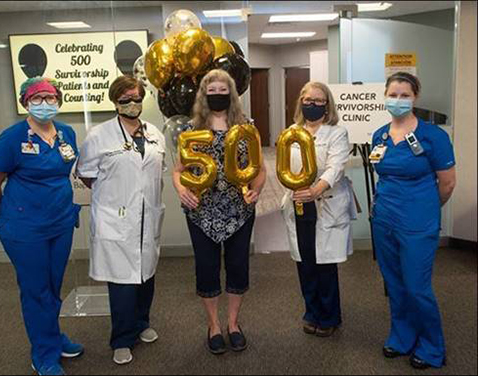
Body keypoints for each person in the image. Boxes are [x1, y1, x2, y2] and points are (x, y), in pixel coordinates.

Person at [0, 77, 83, 376]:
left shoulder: (66, 133)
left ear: (59, 101)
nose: (44, 104)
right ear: (25, 102)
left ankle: (52, 337)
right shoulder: (12, 138)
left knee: (52, 286)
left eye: (50, 98)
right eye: (37, 98)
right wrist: (9, 217)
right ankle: (43, 355)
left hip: (61, 222)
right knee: (36, 290)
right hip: (25, 230)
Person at [172, 69, 266, 354]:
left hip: (239, 209)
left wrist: (257, 190)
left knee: (238, 266)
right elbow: (178, 171)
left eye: (222, 91)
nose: (217, 96)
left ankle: (233, 324)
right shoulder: (191, 128)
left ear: (232, 94)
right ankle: (213, 325)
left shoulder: (247, 126)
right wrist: (181, 190)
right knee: (207, 268)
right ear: (203, 95)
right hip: (201, 211)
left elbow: (260, 169)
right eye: (211, 92)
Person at [76, 76, 166, 365]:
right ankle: (122, 339)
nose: (132, 104)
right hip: (117, 219)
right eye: (125, 99)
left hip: (147, 215)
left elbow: (155, 171)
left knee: (146, 276)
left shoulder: (155, 133)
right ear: (115, 102)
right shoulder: (99, 136)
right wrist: (116, 198)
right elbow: (87, 175)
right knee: (123, 283)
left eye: (136, 98)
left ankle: (142, 323)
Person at [370, 72, 456, 369]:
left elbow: (447, 184)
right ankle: (402, 336)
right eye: (393, 94)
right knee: (394, 283)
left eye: (404, 95)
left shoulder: (434, 137)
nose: (397, 100)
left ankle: (433, 347)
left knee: (417, 286)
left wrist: (428, 209)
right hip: (384, 220)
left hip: (418, 222)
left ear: (415, 97)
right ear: (385, 95)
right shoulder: (379, 135)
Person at [281, 81, 357, 338]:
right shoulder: (291, 132)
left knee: (325, 265)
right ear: (301, 102)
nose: (312, 105)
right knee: (305, 262)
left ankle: (330, 316)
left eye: (318, 101)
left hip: (325, 202)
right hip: (300, 204)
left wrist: (316, 190)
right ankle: (311, 312)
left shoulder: (337, 133)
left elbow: (336, 167)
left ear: (327, 105)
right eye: (308, 100)